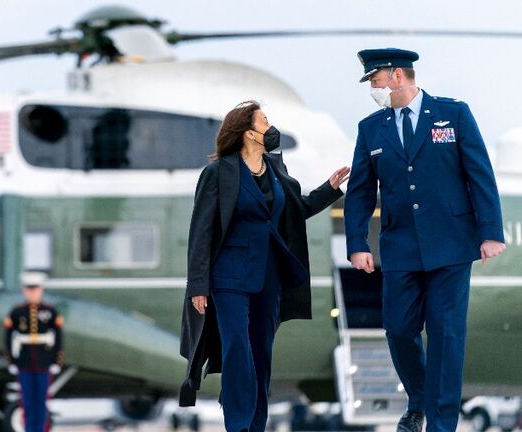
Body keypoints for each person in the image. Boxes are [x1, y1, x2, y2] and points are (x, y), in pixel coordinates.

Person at [345, 48, 506, 432]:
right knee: (399, 330)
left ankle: (441, 424)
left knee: (447, 335)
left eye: (375, 80)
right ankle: (418, 399)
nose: (372, 88)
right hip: (400, 247)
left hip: (451, 245)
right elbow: (361, 191)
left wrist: (490, 232)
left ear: (397, 76)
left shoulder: (454, 114)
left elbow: (479, 174)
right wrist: (357, 243)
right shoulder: (371, 128)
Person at [179, 101, 349, 432]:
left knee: (261, 351)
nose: (271, 128)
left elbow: (296, 210)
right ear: (248, 132)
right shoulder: (218, 173)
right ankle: (239, 425)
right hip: (228, 276)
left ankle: (256, 424)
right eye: (265, 122)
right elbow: (201, 232)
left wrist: (329, 189)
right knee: (236, 347)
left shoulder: (275, 169)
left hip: (269, 275)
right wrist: (197, 286)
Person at [4, 271, 63, 432]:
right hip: (24, 362)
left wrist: (56, 361)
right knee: (27, 401)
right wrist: (12, 361)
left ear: (41, 290)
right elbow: (8, 338)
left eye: (35, 289)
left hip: (44, 362)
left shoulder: (50, 311)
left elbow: (58, 338)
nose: (32, 293)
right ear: (24, 291)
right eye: (29, 289)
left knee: (41, 402)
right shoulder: (17, 312)